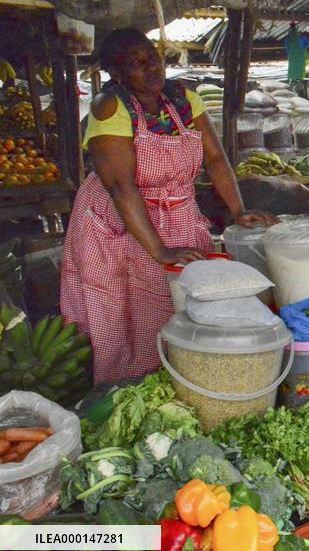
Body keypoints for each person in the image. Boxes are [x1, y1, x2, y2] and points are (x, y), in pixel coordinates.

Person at [61, 28, 278, 384]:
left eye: (153, 57)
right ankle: (126, 388)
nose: (152, 68)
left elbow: (216, 159)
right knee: (123, 313)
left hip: (176, 215)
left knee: (181, 302)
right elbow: (120, 186)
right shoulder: (110, 106)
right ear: (117, 73)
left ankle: (187, 379)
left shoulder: (182, 98)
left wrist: (238, 211)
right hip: (120, 223)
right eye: (137, 63)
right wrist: (160, 249)